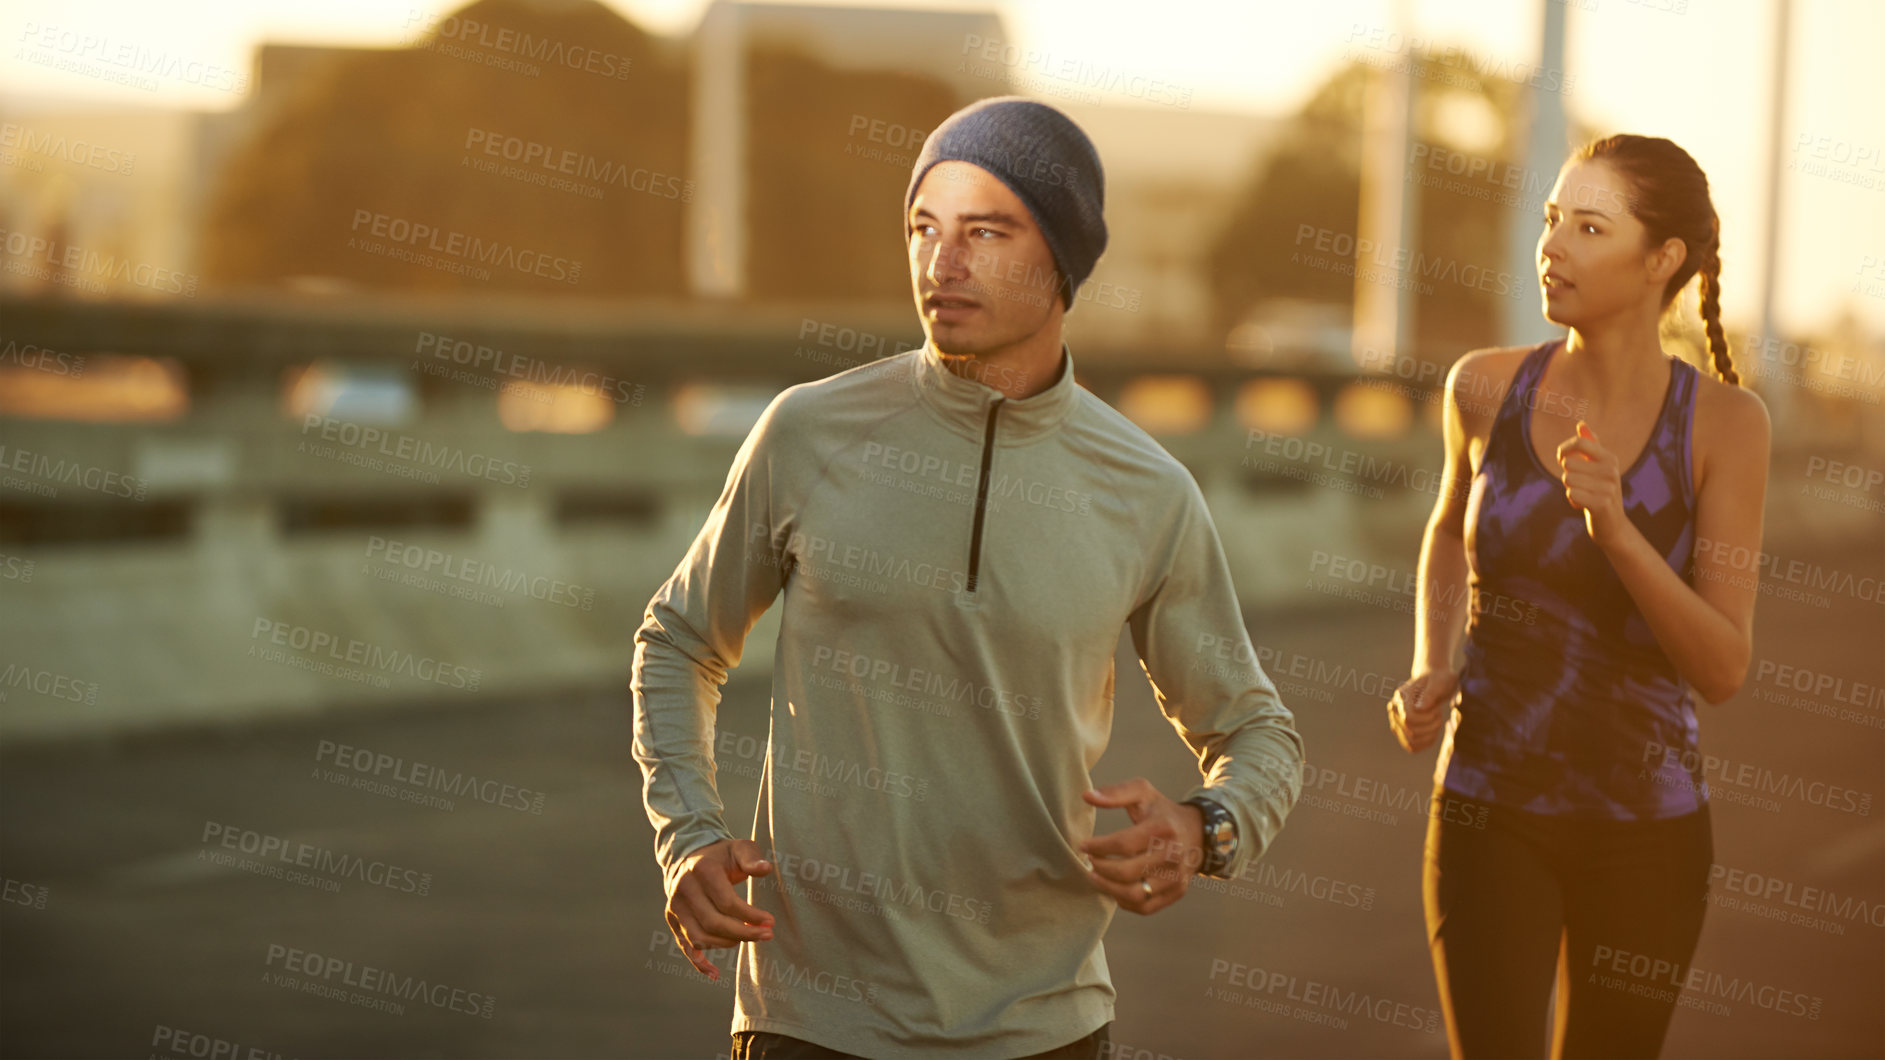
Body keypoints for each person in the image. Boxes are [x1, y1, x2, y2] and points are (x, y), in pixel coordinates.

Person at [632, 96, 1304, 1060]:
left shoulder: (1145, 490)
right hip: (811, 1018)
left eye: (986, 232)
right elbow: (681, 638)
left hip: (1043, 1025)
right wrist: (687, 834)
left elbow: (1254, 729)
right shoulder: (807, 432)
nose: (942, 264)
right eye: (924, 228)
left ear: (1063, 263)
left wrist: (1209, 829)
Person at [1385, 133, 1771, 1059]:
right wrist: (1431, 663)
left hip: (1647, 833)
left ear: (1661, 261)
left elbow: (1720, 667)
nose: (1551, 245)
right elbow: (1447, 532)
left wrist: (1618, 532)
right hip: (1484, 809)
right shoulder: (1482, 387)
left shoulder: (1723, 423)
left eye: (1589, 227)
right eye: (1553, 218)